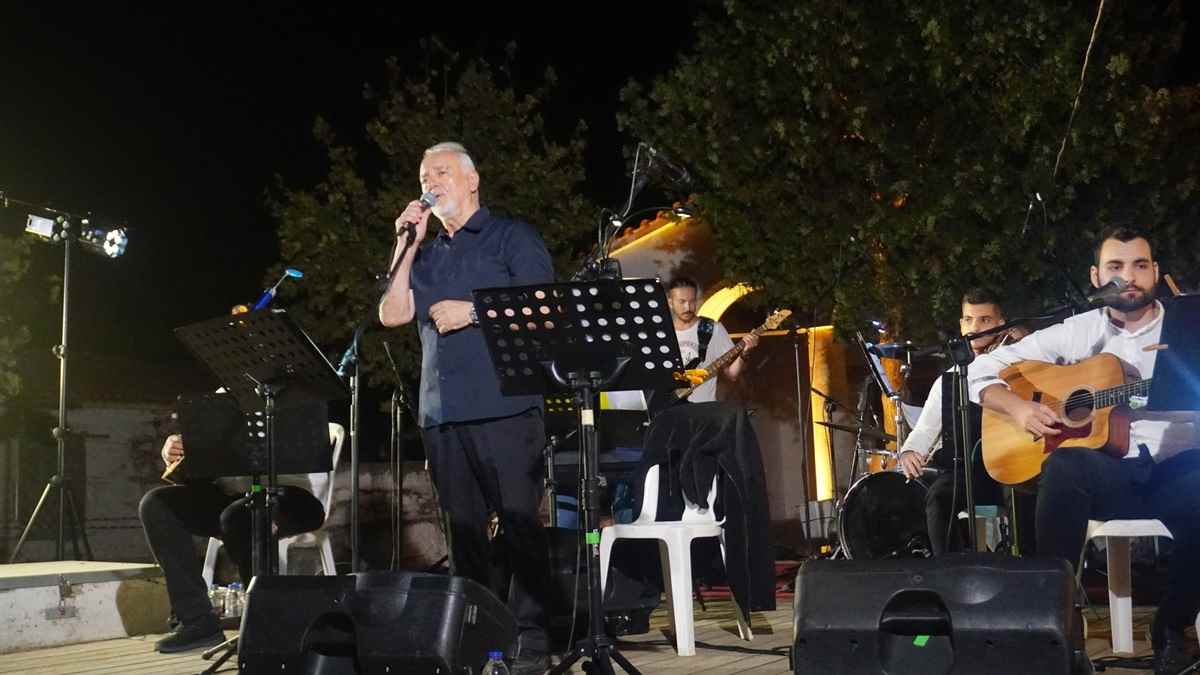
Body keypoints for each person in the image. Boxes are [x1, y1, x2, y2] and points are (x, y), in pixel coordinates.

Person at [968, 225, 1200, 674]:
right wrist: (1018, 409)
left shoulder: (1188, 327)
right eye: (1116, 266)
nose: (1128, 276)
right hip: (1109, 472)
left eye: (1139, 265)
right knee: (1066, 465)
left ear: (1155, 272)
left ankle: (1171, 627)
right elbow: (982, 368)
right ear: (1096, 276)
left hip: (1176, 468)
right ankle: (1054, 632)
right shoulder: (1080, 331)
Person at [379, 141, 554, 675]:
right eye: (424, 174)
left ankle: (533, 636)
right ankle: (481, 636)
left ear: (472, 180)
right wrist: (405, 245)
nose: (431, 181)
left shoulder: (509, 237)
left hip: (506, 406)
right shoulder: (426, 254)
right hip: (443, 414)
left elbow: (546, 306)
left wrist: (477, 311)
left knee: (521, 526)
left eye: (442, 171)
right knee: (464, 533)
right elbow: (392, 313)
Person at [138, 416, 326, 653]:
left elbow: (305, 439)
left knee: (239, 516)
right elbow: (201, 455)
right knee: (156, 505)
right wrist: (174, 448)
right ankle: (197, 621)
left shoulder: (288, 392)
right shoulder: (216, 404)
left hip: (290, 495)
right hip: (231, 496)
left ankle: (266, 626)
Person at [897, 288, 1026, 554]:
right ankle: (951, 573)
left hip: (1012, 466)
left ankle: (1032, 573)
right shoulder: (949, 379)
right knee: (938, 497)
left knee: (1024, 495)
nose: (974, 327)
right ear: (960, 324)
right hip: (968, 472)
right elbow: (925, 428)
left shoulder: (1019, 367)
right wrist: (911, 451)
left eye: (984, 320)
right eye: (968, 320)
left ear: (1001, 324)